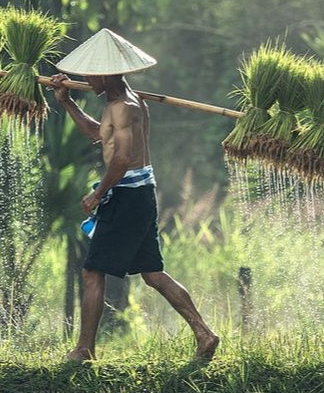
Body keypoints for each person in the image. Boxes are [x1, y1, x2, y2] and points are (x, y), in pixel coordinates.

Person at [50, 29, 220, 363]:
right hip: (139, 193)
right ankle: (204, 333)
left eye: (89, 72)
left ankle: (84, 349)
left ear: (104, 73)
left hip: (127, 196)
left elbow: (123, 159)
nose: (85, 78)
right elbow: (98, 136)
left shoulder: (125, 107)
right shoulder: (123, 103)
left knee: (92, 271)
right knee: (152, 273)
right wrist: (67, 101)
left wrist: (99, 193)